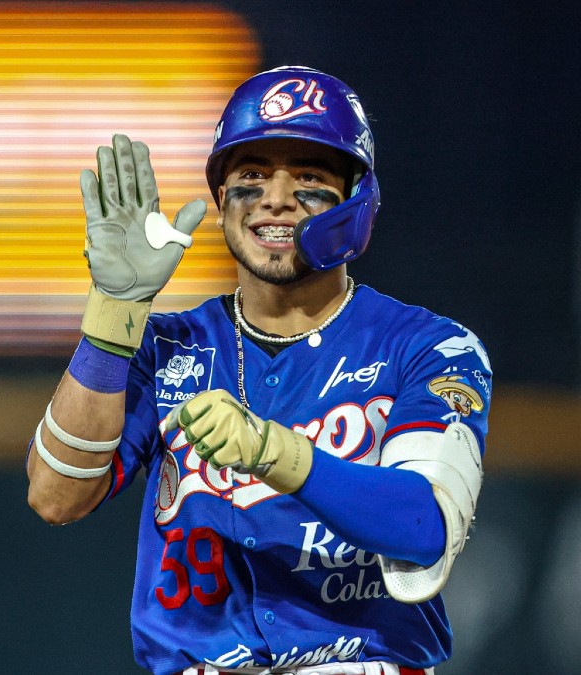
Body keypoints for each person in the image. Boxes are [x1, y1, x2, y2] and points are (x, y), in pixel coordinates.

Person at [25, 65, 491, 675]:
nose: (275, 197)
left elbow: (423, 525)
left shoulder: (429, 348)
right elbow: (56, 496)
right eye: (251, 176)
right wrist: (115, 316)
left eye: (308, 177)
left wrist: (279, 454)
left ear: (356, 202)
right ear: (221, 202)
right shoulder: (166, 345)